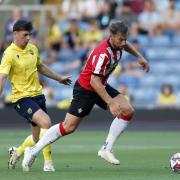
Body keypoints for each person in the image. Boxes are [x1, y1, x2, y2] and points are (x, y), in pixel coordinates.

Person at [22, 20, 149, 171]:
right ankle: (33, 150)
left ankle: (106, 148)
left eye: (125, 39)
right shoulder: (103, 53)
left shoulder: (119, 44)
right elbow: (93, 80)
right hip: (86, 89)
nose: (123, 42)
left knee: (128, 110)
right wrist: (111, 102)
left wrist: (139, 56)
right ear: (112, 36)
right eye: (121, 39)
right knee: (68, 127)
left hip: (101, 85)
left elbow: (126, 46)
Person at [0, 19, 71, 171]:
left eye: (29, 35)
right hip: (22, 99)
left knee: (37, 138)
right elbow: (2, 77)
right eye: (25, 35)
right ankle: (48, 164)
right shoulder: (9, 54)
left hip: (38, 96)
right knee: (46, 123)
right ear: (15, 34)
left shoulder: (33, 48)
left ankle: (17, 152)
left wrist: (58, 78)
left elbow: (40, 67)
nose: (28, 38)